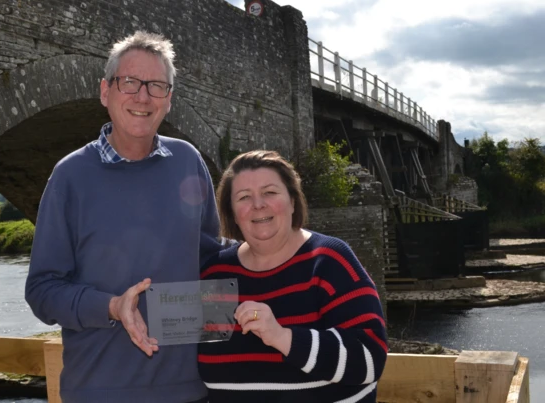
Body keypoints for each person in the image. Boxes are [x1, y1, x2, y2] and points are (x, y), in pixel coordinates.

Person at [25, 31, 221, 403]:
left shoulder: (188, 162)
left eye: (156, 86)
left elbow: (212, 262)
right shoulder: (70, 176)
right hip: (99, 393)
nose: (142, 96)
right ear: (105, 92)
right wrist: (112, 307)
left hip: (190, 392)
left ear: (169, 101)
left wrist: (287, 254)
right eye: (129, 82)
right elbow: (41, 292)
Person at [198, 150, 388, 403]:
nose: (258, 204)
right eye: (244, 197)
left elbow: (370, 360)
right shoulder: (216, 273)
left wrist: (282, 337)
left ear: (293, 201)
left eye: (270, 192)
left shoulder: (328, 260)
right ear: (232, 212)